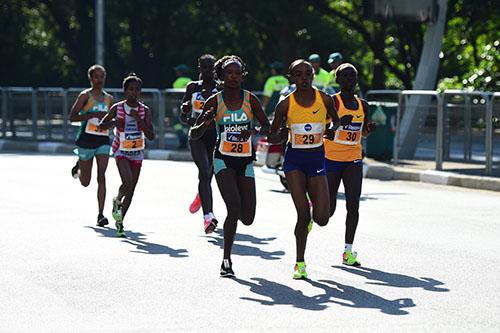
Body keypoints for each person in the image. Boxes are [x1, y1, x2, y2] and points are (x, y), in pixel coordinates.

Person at [191, 55, 270, 277]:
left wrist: (253, 131)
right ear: (221, 76)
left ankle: (228, 254)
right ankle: (226, 260)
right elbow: (193, 134)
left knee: (248, 217)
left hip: (245, 160)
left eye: (237, 73)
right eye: (229, 73)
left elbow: (267, 126)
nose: (233, 77)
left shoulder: (250, 99)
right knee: (233, 207)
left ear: (242, 75)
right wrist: (205, 122)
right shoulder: (214, 101)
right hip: (222, 159)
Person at [269, 59, 343, 280]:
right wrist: (280, 134)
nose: (304, 78)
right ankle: (300, 263)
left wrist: (331, 130)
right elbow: (273, 134)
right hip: (294, 161)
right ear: (291, 77)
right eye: (298, 74)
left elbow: (336, 122)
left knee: (322, 219)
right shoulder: (284, 104)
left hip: (317, 159)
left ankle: (313, 214)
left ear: (313, 75)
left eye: (307, 73)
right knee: (302, 214)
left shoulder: (325, 99)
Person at [323, 63, 376, 266]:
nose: (349, 79)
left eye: (352, 76)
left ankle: (348, 251)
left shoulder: (363, 104)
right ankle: (313, 208)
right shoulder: (332, 102)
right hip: (331, 157)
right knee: (328, 211)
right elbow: (322, 128)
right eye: (344, 76)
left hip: (353, 157)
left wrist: (368, 130)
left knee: (353, 203)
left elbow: (362, 131)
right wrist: (337, 123)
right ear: (337, 80)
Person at [98, 73, 155, 237]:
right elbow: (102, 126)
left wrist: (140, 121)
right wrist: (115, 122)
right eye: (130, 89)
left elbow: (151, 135)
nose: (134, 93)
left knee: (131, 189)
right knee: (127, 182)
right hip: (121, 150)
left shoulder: (145, 110)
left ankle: (120, 222)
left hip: (137, 152)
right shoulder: (118, 108)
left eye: (137, 90)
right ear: (125, 91)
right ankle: (117, 200)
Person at [69, 64, 114, 227]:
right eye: (96, 76)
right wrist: (91, 115)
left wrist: (108, 124)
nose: (99, 80)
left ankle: (101, 214)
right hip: (86, 141)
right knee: (85, 182)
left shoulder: (109, 99)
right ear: (91, 78)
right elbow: (72, 117)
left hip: (102, 140)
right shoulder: (85, 96)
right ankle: (79, 164)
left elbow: (112, 121)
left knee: (102, 175)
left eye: (102, 76)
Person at [179, 54, 220, 233]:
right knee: (204, 171)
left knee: (208, 174)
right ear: (199, 69)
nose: (208, 71)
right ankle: (208, 217)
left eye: (211, 67)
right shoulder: (193, 87)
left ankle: (201, 195)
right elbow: (183, 116)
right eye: (204, 67)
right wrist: (186, 112)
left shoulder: (221, 89)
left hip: (215, 136)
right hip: (197, 136)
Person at [172, 64, 193, 148]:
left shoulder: (178, 81)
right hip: (190, 106)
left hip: (179, 106)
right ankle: (186, 141)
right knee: (187, 124)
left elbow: (174, 94)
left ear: (180, 72)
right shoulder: (190, 81)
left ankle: (182, 140)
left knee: (176, 123)